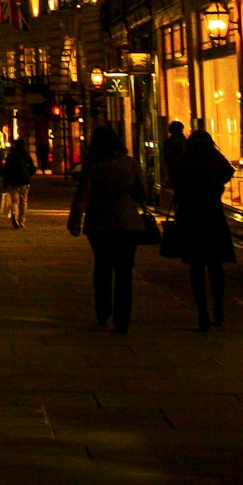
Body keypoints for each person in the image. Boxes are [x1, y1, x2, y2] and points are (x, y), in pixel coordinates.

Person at [68, 124, 149, 333]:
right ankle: (123, 319)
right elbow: (142, 192)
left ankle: (103, 312)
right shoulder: (130, 163)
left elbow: (82, 195)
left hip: (99, 222)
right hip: (127, 222)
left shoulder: (93, 165)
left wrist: (75, 221)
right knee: (124, 271)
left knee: (103, 268)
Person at [175, 128, 236, 331]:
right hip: (213, 215)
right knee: (216, 266)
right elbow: (229, 171)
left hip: (192, 217)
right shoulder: (213, 158)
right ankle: (218, 305)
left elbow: (176, 184)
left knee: (197, 268)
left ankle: (202, 312)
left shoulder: (185, 161)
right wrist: (216, 185)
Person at [1, 135, 35, 228]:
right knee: (23, 201)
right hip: (24, 181)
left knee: (15, 201)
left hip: (14, 181)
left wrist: (5, 183)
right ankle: (21, 221)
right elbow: (33, 168)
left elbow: (6, 170)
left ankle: (14, 215)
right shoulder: (26, 155)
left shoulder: (11, 156)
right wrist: (28, 174)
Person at [162, 120, 188, 209]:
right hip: (184, 172)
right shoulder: (185, 142)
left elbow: (166, 158)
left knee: (178, 192)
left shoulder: (169, 142)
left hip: (174, 171)